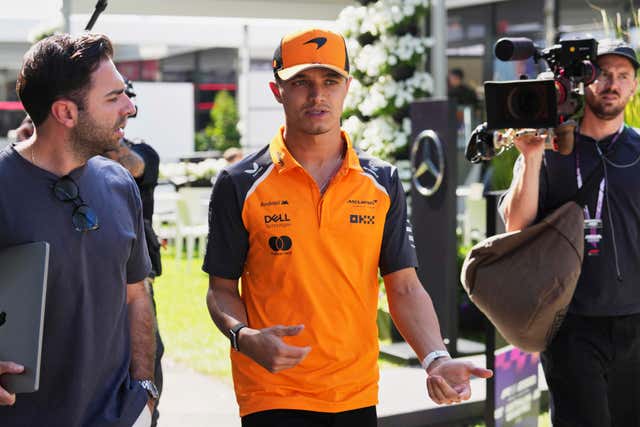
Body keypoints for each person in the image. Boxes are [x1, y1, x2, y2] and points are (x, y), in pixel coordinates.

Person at [203, 28, 492, 426]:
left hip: (355, 392)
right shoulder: (239, 182)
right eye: (301, 82)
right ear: (277, 91)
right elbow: (220, 290)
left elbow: (404, 285)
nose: (317, 95)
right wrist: (244, 337)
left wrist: (435, 358)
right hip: (271, 393)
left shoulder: (382, 179)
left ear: (347, 87)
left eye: (330, 81)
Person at [0, 33, 158, 426]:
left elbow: (137, 294)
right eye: (113, 97)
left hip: (114, 417)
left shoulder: (121, 185)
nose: (130, 107)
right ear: (66, 113)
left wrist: (144, 390)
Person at [500, 39, 640, 427]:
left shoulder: (639, 150)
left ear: (633, 87)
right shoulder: (548, 147)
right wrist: (529, 158)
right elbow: (515, 226)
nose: (611, 83)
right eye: (602, 74)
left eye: (622, 76)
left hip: (635, 321)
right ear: (583, 81)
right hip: (571, 325)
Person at [103, 80, 164, 427]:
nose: (128, 109)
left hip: (138, 271)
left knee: (145, 347)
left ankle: (147, 410)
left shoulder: (139, 152)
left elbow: (134, 166)